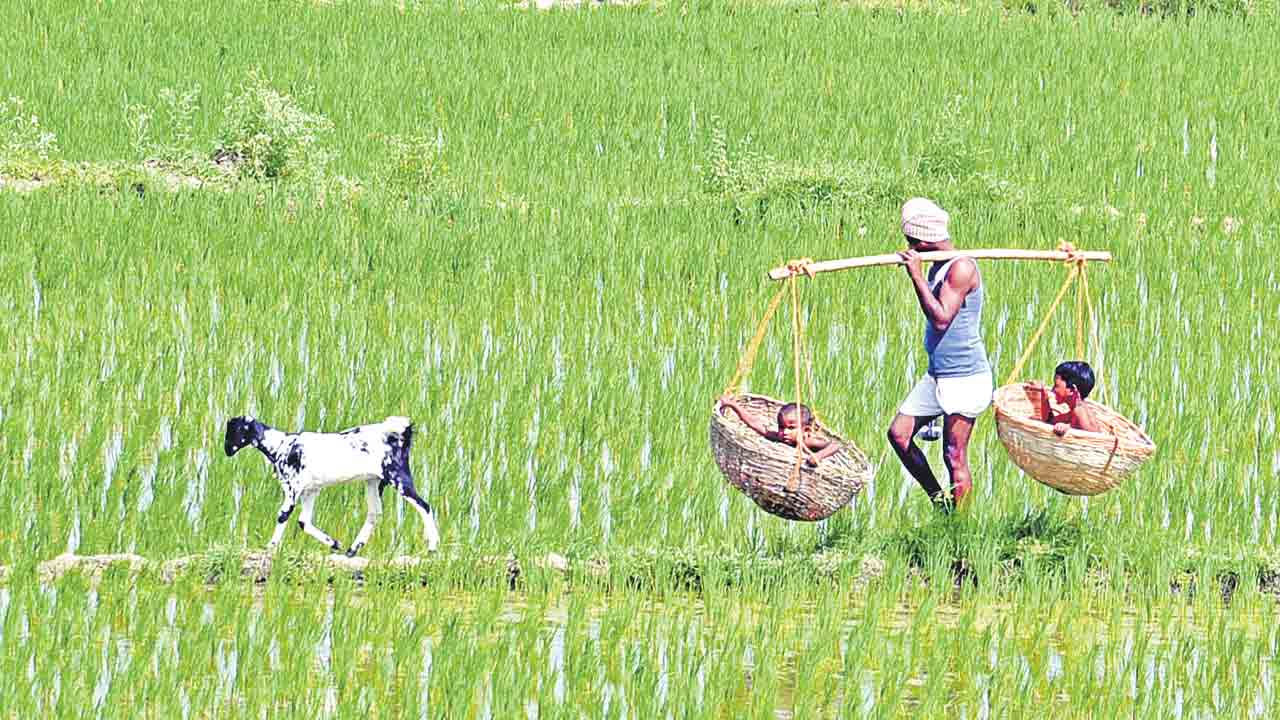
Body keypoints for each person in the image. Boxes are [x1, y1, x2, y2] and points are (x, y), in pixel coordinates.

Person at [886, 198, 992, 510]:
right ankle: (939, 501)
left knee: (953, 454)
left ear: (923, 239)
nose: (909, 247)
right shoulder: (937, 265)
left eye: (910, 242)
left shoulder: (960, 267)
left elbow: (942, 317)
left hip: (965, 377)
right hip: (938, 374)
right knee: (899, 435)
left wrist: (915, 276)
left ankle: (960, 526)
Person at [719, 396, 842, 466]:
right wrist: (733, 405)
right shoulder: (780, 437)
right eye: (781, 427)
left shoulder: (809, 441)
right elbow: (755, 424)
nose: (785, 432)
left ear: (806, 429)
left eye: (791, 428)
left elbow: (836, 444)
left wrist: (818, 456)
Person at [1027, 361, 1101, 436]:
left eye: (1056, 385)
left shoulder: (1080, 412)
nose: (1053, 390)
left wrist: (1068, 428)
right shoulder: (1076, 409)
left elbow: (1092, 435)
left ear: (1072, 390)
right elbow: (1049, 421)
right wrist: (1043, 394)